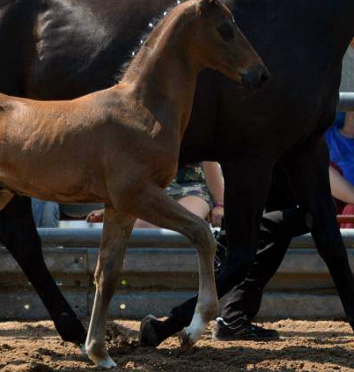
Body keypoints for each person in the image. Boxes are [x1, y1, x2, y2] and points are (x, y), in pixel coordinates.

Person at [141, 113, 354, 344]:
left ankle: (233, 316)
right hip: (275, 135)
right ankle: (195, 316)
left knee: (281, 232)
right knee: (304, 220)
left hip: (278, 136)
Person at [86, 161, 225, 228]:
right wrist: (118, 208)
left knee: (186, 221)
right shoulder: (144, 120)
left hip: (191, 185)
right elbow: (131, 170)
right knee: (142, 227)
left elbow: (209, 162)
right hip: (154, 189)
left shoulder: (192, 115)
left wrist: (219, 204)